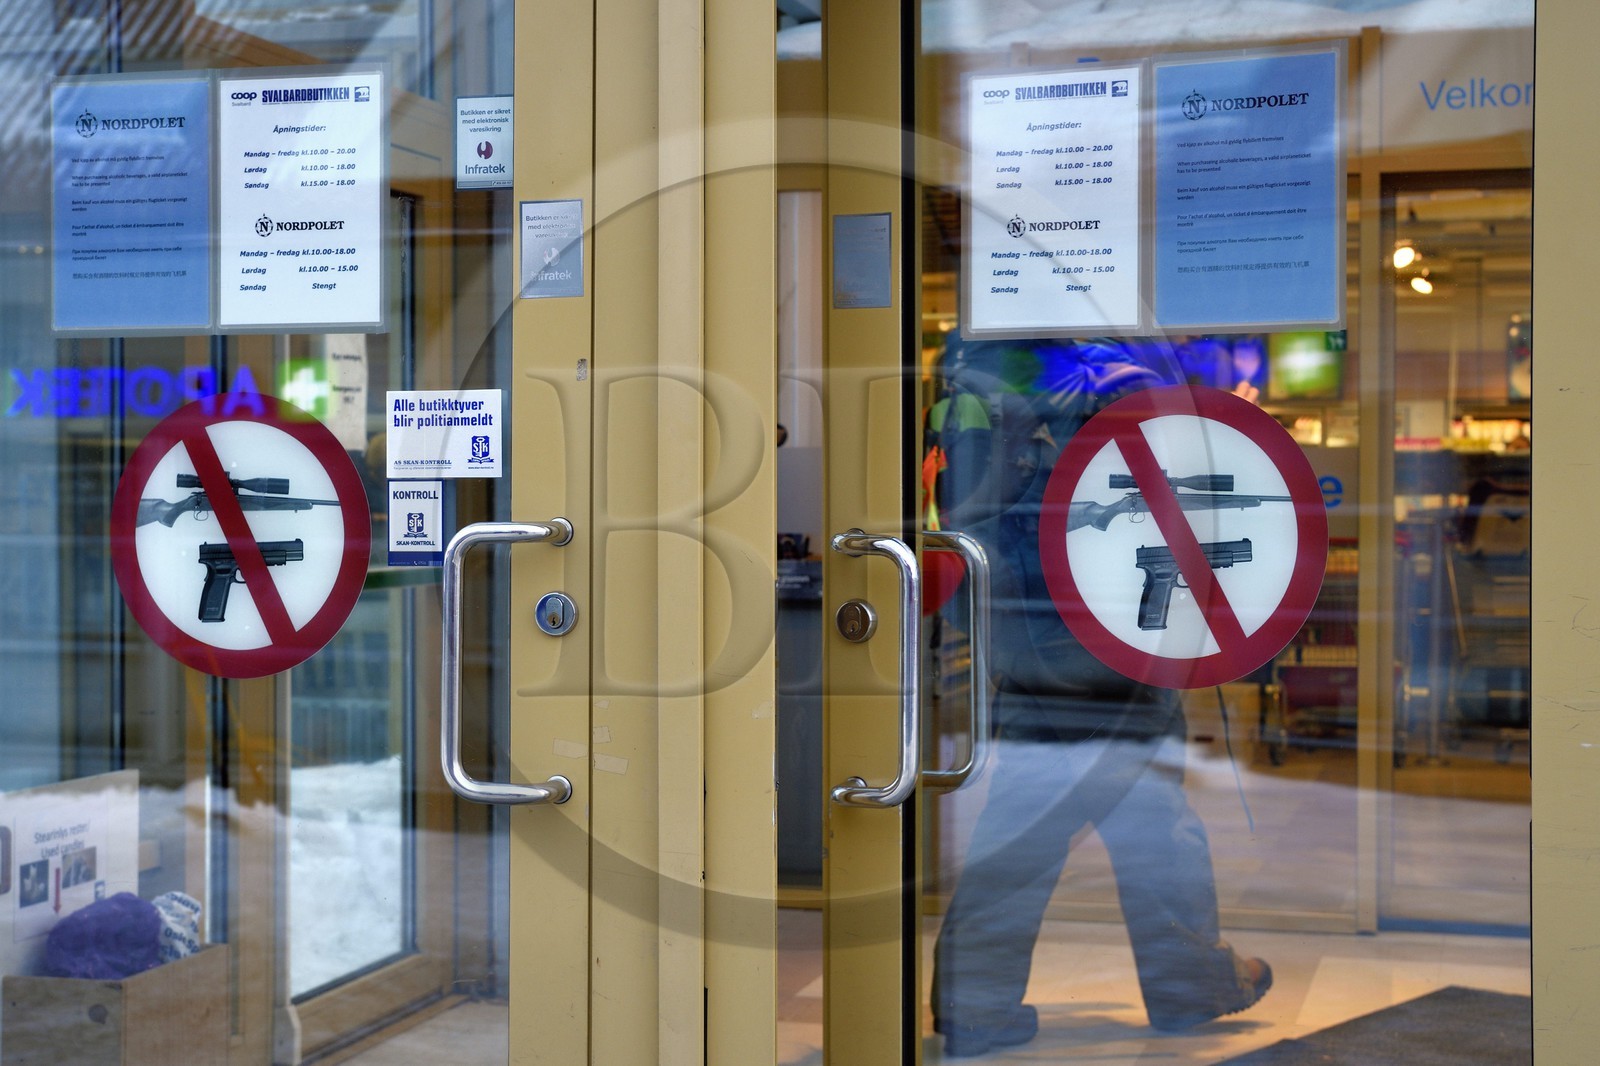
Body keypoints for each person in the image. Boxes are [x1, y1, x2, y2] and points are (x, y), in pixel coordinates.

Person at [926, 336, 1272, 1058]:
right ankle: (1184, 987)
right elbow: (1177, 503)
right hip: (1107, 645)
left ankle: (980, 1003)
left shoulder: (976, 379)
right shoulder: (1106, 378)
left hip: (1021, 640)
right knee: (1138, 823)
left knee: (1060, 822)